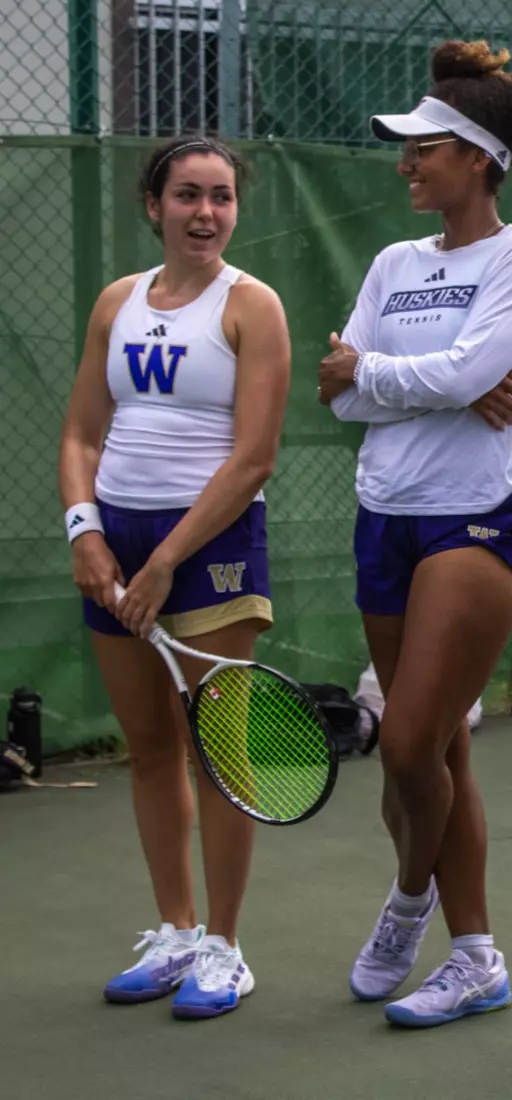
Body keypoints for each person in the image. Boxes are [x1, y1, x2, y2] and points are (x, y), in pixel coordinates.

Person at [318, 39, 512, 1029]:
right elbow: (335, 394)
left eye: (425, 148)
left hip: (481, 519)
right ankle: (475, 955)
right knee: (442, 754)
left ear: (477, 157)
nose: (407, 162)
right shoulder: (389, 262)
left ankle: (408, 901)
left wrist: (387, 381)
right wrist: (431, 386)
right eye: (407, 149)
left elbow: (434, 377)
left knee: (410, 742)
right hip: (386, 519)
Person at [59, 134, 291, 1018]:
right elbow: (83, 431)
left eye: (222, 197)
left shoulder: (252, 306)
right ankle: (176, 932)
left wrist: (164, 560)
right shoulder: (117, 301)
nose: (206, 214)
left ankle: (226, 950)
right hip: (117, 539)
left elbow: (254, 457)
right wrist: (87, 531)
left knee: (217, 750)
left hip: (213, 545)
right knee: (150, 748)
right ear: (153, 205)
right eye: (188, 195)